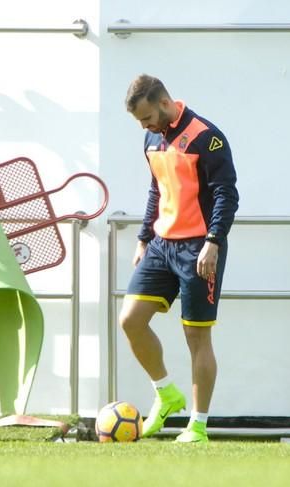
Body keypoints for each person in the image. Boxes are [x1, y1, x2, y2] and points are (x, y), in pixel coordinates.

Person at [120, 74, 239, 443]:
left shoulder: (206, 136)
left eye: (146, 117)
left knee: (196, 337)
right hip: (161, 244)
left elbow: (226, 195)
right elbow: (157, 189)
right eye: (140, 122)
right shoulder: (151, 138)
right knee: (130, 321)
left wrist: (214, 242)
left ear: (164, 102)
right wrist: (143, 239)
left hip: (198, 249)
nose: (144, 126)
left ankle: (198, 426)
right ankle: (166, 393)